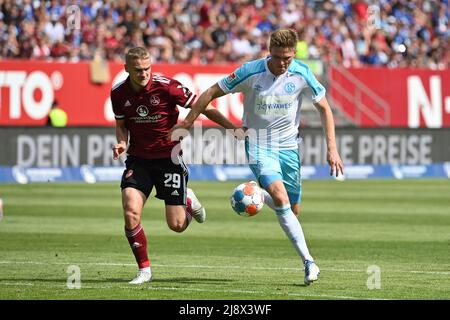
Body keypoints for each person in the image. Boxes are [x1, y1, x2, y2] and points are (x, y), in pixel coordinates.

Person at [170, 28, 344, 285]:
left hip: (289, 148)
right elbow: (209, 93)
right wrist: (187, 124)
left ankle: (260, 194)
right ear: (269, 51)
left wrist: (332, 148)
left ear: (294, 53)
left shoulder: (302, 72)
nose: (283, 63)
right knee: (280, 195)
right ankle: (309, 262)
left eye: (287, 58)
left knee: (292, 210)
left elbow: (324, 108)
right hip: (259, 144)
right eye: (277, 57)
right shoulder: (250, 72)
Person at [111, 47, 235, 284]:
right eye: (138, 70)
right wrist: (120, 142)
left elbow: (204, 106)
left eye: (147, 68)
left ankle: (188, 200)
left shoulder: (167, 86)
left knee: (177, 225)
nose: (144, 74)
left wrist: (234, 129)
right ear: (126, 69)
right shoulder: (118, 93)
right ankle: (144, 270)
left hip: (169, 159)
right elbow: (121, 124)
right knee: (130, 212)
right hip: (138, 160)